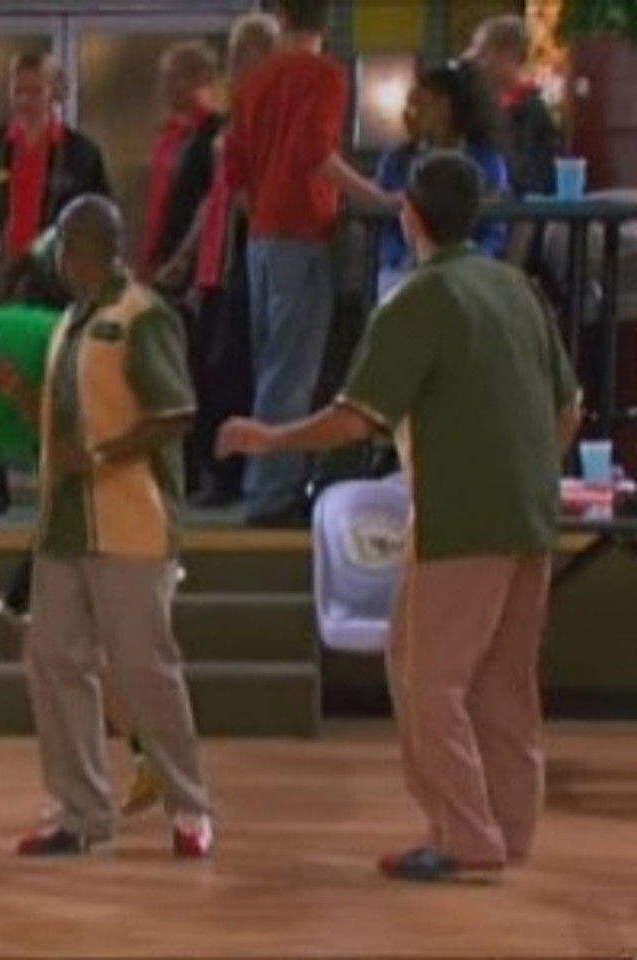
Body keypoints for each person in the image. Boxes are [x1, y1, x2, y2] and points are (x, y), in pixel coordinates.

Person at [218, 151, 581, 882]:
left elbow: (357, 418)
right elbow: (568, 407)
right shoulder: (515, 288)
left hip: (457, 520)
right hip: (529, 515)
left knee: (426, 678)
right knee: (506, 684)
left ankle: (464, 833)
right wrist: (531, 474)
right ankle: (510, 826)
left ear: (410, 216)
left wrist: (270, 438)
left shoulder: (421, 298)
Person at [0, 195, 214, 858]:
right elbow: (65, 429)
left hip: (132, 523)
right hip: (63, 527)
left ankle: (189, 807)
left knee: (145, 668)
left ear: (77, 248)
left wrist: (96, 457)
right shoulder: (72, 321)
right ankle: (81, 812)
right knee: (54, 660)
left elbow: (175, 414)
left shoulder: (143, 316)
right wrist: (20, 396)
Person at [222, 0, 395, 526]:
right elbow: (316, 154)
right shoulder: (325, 75)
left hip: (261, 237)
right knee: (293, 368)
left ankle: (264, 480)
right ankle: (273, 491)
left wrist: (262, 212)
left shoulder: (255, 79)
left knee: (271, 363)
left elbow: (236, 170)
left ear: (281, 17)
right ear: (328, 21)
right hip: (303, 230)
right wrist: (380, 198)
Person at [0, 51, 112, 523]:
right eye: (18, 90)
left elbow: (97, 229)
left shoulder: (82, 154)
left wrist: (100, 294)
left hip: (55, 289)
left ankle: (56, 482)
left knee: (55, 385)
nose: (26, 99)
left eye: (35, 90)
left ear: (56, 92)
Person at [186, 12, 280, 507]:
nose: (237, 64)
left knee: (234, 368)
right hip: (219, 258)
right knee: (213, 366)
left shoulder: (264, 114)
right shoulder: (232, 117)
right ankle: (214, 468)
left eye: (247, 54)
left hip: (248, 251)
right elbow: (215, 197)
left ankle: (232, 472)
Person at [374, 62, 509, 299]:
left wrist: (472, 261)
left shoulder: (486, 162)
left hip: (469, 271)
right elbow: (384, 227)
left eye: (418, 106)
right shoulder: (396, 161)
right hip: (405, 270)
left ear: (444, 108)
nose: (407, 116)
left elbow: (494, 230)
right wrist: (404, 260)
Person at [140, 42, 225, 288]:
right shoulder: (166, 135)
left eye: (175, 77)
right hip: (160, 258)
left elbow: (212, 202)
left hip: (195, 264)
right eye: (164, 77)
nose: (166, 86)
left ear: (201, 79)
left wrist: (184, 257)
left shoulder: (215, 133)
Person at [466, 15, 560, 197]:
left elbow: (532, 177)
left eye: (483, 55)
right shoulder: (484, 109)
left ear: (510, 54)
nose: (478, 65)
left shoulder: (531, 111)